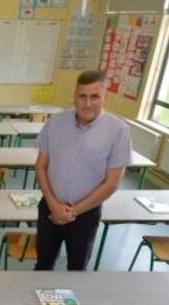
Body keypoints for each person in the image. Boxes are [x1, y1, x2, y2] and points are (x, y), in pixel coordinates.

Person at [34, 70, 132, 271]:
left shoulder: (119, 131)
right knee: (43, 264)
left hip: (85, 215)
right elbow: (41, 165)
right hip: (50, 209)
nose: (88, 104)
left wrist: (73, 212)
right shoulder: (55, 123)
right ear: (74, 97)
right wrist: (53, 205)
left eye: (94, 96)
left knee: (77, 269)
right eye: (82, 96)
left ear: (105, 97)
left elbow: (112, 184)